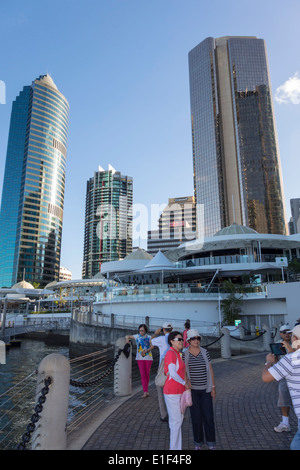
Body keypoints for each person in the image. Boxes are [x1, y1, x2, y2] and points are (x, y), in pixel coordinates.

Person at [262, 324, 300, 450]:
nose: (290, 336)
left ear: (295, 339)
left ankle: (285, 423)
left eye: (292, 335)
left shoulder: (291, 359)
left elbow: (266, 377)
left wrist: (268, 362)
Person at [182, 329, 216, 450]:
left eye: (198, 338)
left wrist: (213, 386)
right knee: (196, 418)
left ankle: (211, 443)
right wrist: (186, 381)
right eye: (193, 339)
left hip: (206, 390)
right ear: (189, 341)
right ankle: (198, 443)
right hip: (193, 391)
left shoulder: (205, 352)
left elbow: (210, 369)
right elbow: (183, 371)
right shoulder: (185, 354)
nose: (196, 341)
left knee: (208, 417)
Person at [163, 330, 190, 450]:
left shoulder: (178, 353)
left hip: (179, 391)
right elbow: (173, 373)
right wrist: (185, 383)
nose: (181, 341)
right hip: (172, 391)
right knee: (176, 422)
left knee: (178, 421)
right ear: (171, 341)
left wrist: (185, 384)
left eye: (182, 339)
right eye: (179, 339)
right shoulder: (171, 353)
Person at [150, 322, 173, 421]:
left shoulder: (161, 339)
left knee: (161, 391)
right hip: (173, 365)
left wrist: (156, 333)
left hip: (163, 367)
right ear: (171, 329)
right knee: (172, 392)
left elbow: (150, 341)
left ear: (163, 329)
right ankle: (174, 413)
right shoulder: (175, 338)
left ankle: (164, 415)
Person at [273, 324, 294, 432]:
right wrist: (274, 357)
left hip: (296, 375)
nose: (287, 334)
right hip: (284, 376)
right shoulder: (277, 344)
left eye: (289, 332)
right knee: (283, 399)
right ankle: (285, 423)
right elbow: (276, 363)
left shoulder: (296, 342)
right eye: (284, 332)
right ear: (280, 333)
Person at [126, 324, 153, 398]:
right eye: (140, 330)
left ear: (145, 331)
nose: (141, 332)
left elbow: (152, 346)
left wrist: (146, 350)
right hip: (140, 358)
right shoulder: (137, 336)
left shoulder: (149, 337)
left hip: (148, 358)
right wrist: (127, 340)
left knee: (147, 375)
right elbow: (127, 336)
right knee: (143, 375)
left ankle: (146, 391)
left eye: (142, 330)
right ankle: (145, 392)